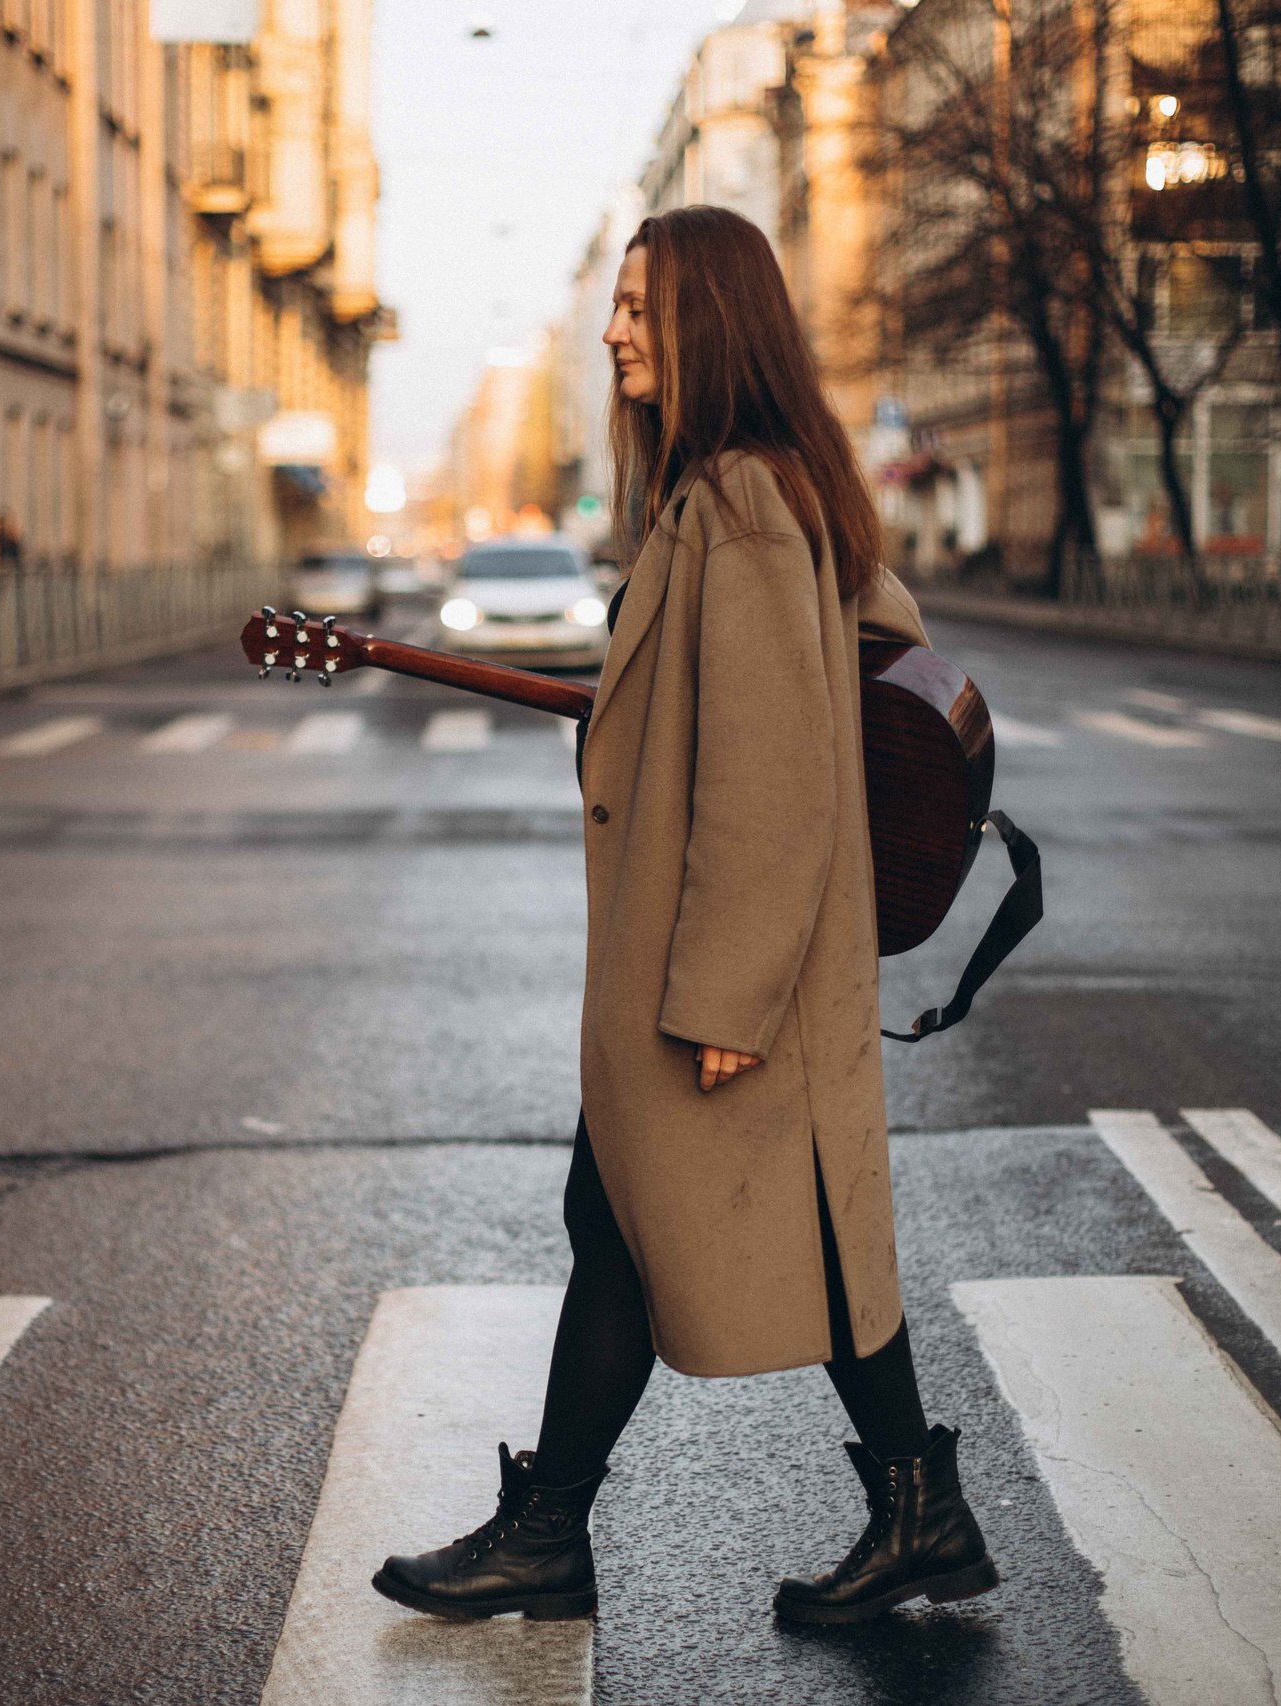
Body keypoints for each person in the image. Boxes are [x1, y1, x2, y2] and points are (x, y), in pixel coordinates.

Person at [370, 205, 1000, 1627]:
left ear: (711, 321)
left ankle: (565, 1532)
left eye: (641, 307)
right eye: (615, 306)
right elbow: (783, 678)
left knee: (678, 1222)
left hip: (721, 967)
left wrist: (727, 995)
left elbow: (775, 772)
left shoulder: (744, 501)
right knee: (653, 1217)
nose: (615, 332)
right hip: (719, 955)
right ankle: (903, 1508)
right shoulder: (740, 487)